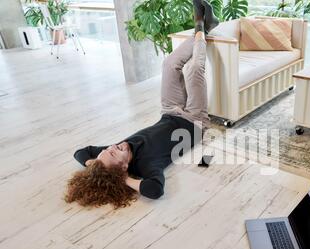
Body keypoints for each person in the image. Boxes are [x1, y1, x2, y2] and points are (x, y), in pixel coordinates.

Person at [65, 0, 219, 208]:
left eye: (107, 149)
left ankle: (205, 27)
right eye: (113, 153)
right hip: (194, 123)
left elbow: (81, 152)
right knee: (193, 71)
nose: (112, 146)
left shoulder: (115, 153)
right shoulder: (147, 165)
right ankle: (201, 25)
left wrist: (95, 165)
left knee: (169, 64)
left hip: (169, 112)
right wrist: (123, 180)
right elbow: (155, 190)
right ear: (123, 167)